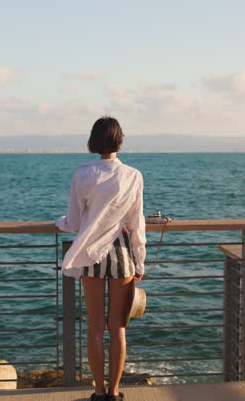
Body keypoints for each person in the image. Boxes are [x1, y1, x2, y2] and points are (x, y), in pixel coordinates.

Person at [55, 116, 146, 401]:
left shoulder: (82, 174)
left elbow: (73, 221)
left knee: (95, 328)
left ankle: (98, 392)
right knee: (117, 328)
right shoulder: (133, 175)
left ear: (94, 141)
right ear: (120, 140)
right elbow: (137, 224)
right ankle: (115, 392)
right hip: (122, 255)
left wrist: (60, 222)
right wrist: (140, 262)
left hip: (91, 254)